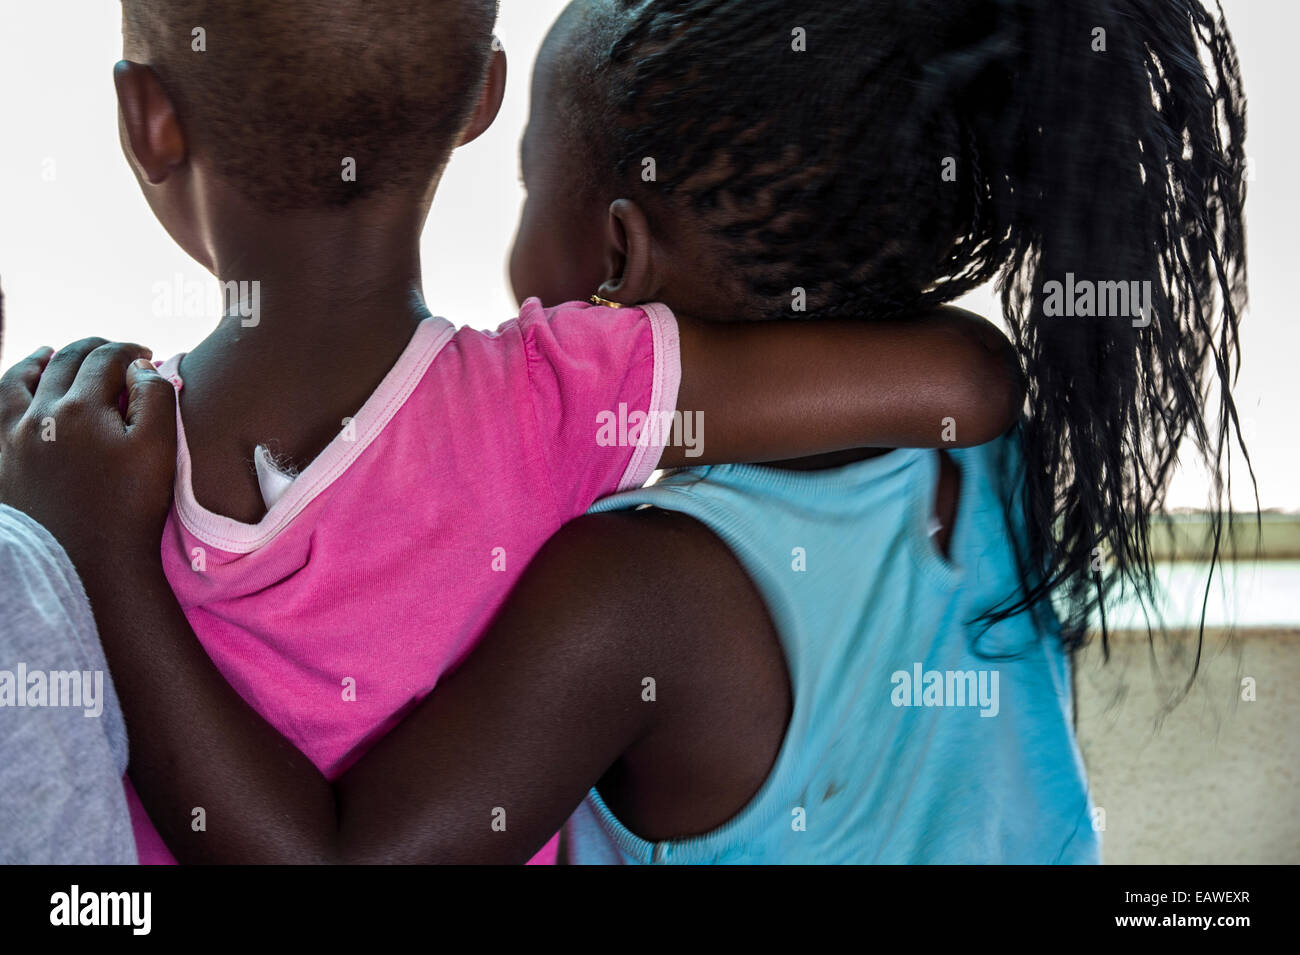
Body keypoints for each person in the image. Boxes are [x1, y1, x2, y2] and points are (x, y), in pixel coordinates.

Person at [0, 0, 1246, 863]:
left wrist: (104, 559)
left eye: (544, 176)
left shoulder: (630, 585)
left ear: (149, 122)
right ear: (473, 95)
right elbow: (971, 372)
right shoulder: (979, 473)